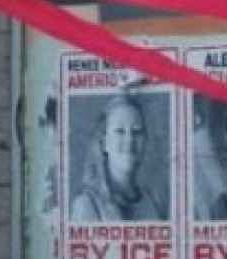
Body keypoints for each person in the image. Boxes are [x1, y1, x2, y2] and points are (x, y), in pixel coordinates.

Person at [70, 93, 168, 222]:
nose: (130, 140)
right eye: (120, 131)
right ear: (104, 143)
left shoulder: (152, 202)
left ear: (145, 141)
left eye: (137, 131)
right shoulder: (87, 205)